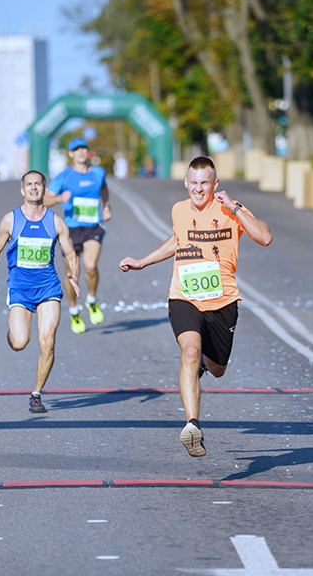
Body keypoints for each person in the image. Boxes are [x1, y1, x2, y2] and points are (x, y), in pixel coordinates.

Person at [119, 156, 272, 457]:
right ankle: (192, 426)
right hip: (184, 297)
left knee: (217, 369)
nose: (199, 189)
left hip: (223, 301)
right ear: (186, 183)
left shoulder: (230, 209)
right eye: (194, 183)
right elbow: (178, 240)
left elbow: (265, 237)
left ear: (215, 184)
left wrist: (236, 208)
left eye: (205, 183)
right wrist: (142, 262)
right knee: (189, 351)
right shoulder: (179, 209)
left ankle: (204, 364)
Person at [0, 170, 81, 413]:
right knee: (21, 342)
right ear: (23, 190)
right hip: (20, 290)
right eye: (29, 185)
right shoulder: (10, 220)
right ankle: (13, 335)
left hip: (48, 288)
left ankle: (36, 394)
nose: (34, 188)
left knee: (48, 342)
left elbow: (71, 254)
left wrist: (74, 276)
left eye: (38, 184)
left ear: (44, 190)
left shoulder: (55, 222)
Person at [47, 137, 111, 333]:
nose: (81, 152)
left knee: (90, 266)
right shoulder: (64, 177)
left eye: (84, 148)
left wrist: (106, 206)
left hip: (93, 226)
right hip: (70, 229)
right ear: (71, 154)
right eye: (76, 149)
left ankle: (92, 300)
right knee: (72, 273)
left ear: (88, 152)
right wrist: (59, 198)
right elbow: (45, 199)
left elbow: (104, 189)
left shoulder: (98, 173)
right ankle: (74, 311)